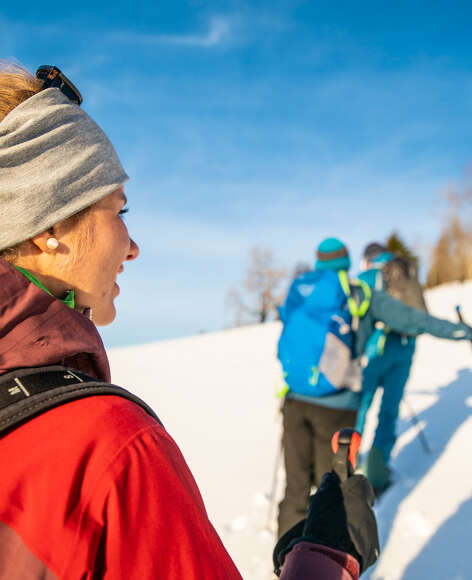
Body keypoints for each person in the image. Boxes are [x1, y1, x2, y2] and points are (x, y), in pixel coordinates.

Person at [0, 63, 376, 580]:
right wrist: (328, 557)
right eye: (120, 212)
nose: (133, 248)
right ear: (51, 227)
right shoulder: (112, 449)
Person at [277, 237, 472, 536]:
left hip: (295, 400)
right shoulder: (360, 292)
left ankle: (285, 558)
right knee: (332, 492)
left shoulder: (303, 291)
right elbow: (415, 319)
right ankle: (371, 478)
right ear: (346, 262)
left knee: (296, 487)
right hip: (339, 406)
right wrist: (463, 331)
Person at [355, 242, 425, 492]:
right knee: (389, 411)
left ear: (367, 260)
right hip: (405, 349)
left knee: (360, 408)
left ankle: (348, 465)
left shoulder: (367, 276)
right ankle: (377, 471)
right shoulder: (405, 272)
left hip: (375, 351)